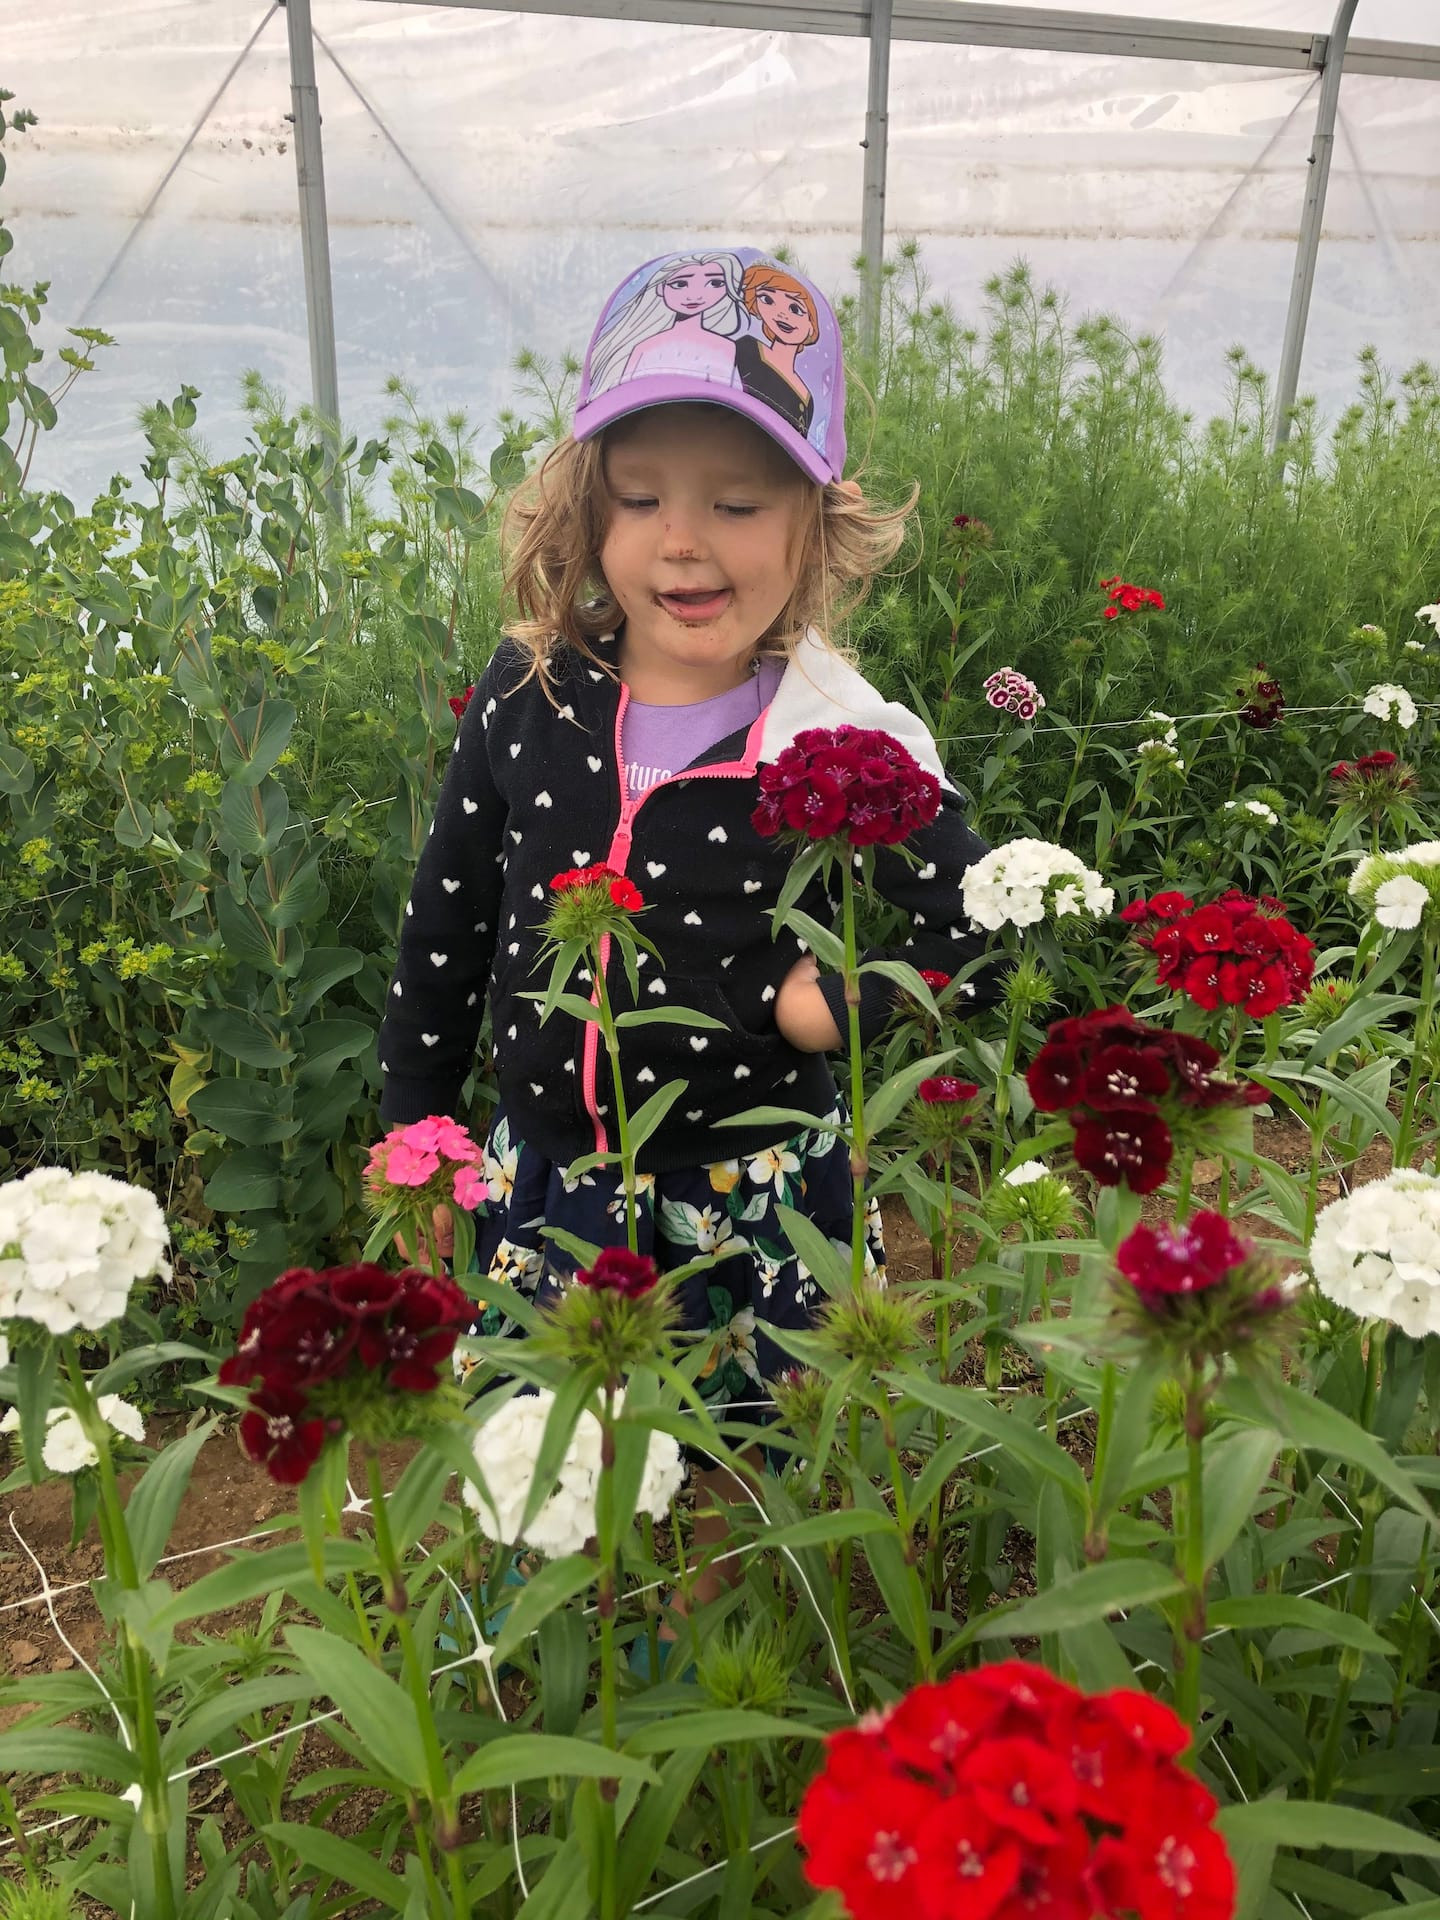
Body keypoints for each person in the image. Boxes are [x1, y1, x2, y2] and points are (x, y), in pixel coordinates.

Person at [372, 245, 998, 1669]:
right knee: (539, 1465)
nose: (683, 543)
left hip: (767, 1190)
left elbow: (970, 911)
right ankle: (569, 1677)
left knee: (770, 1469)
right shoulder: (527, 702)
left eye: (737, 501)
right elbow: (447, 921)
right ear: (585, 509)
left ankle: (738, 1691)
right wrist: (417, 1129)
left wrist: (832, 1000)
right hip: (551, 1180)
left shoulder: (837, 733)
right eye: (641, 497)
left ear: (815, 523)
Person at [733, 261, 819, 436]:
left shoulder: (808, 398)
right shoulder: (746, 348)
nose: (781, 314)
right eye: (767, 299)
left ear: (811, 327)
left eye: (795, 308)